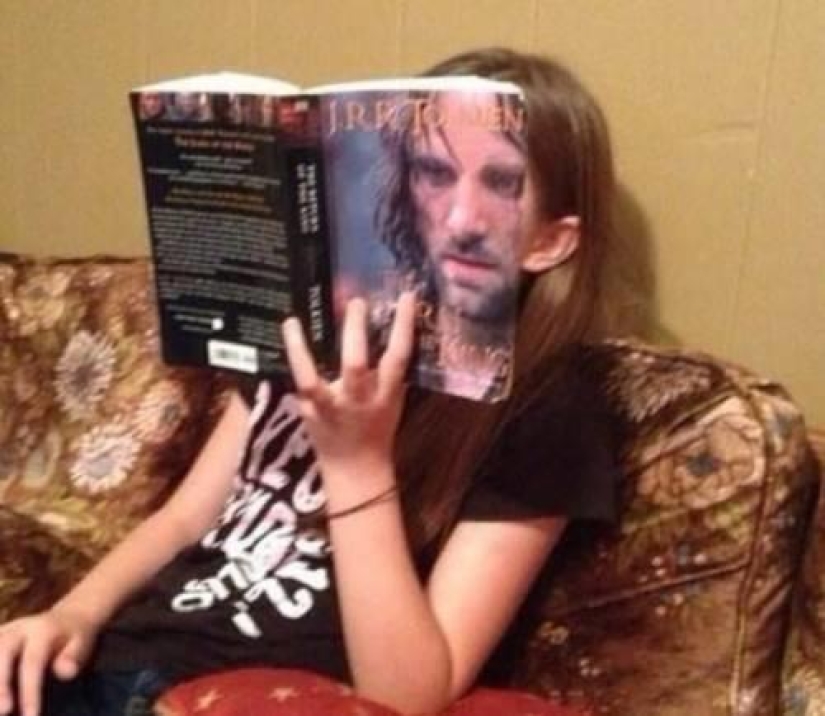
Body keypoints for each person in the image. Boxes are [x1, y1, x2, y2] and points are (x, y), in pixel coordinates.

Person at [0, 48, 621, 716]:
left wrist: (356, 464)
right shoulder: (318, 321)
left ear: (548, 243)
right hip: (115, 665)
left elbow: (410, 692)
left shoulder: (549, 402)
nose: (459, 217)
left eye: (501, 183)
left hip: (247, 696)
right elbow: (184, 518)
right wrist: (72, 614)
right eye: (433, 172)